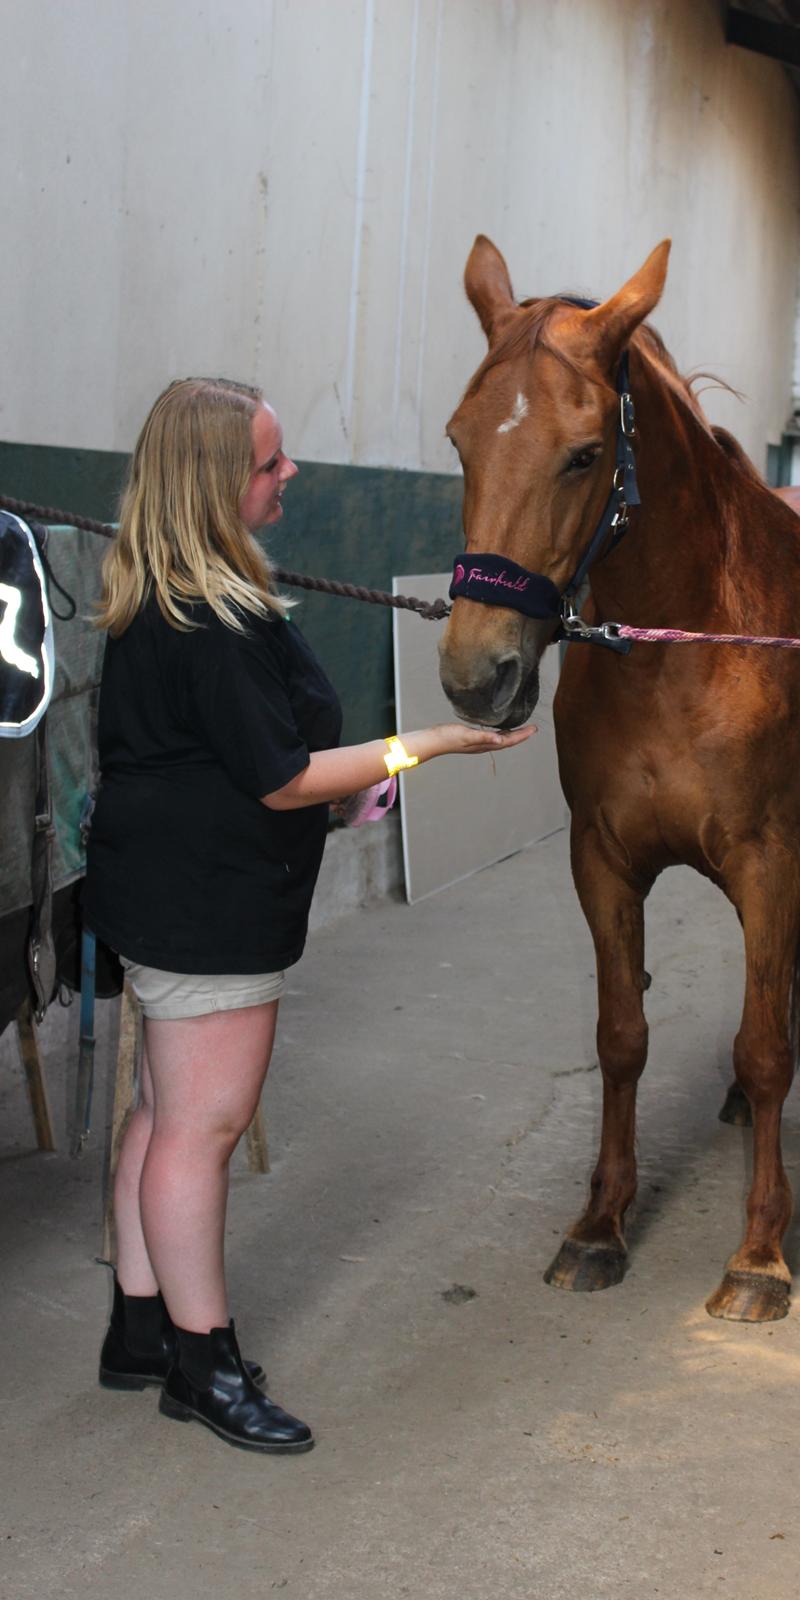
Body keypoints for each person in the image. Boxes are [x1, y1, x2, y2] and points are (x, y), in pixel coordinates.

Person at [84, 377, 534, 1455]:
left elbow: (236, 758)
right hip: (207, 903)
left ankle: (139, 1332)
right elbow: (280, 775)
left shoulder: (165, 588)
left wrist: (354, 779)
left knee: (159, 1110)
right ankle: (202, 1364)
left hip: (157, 886)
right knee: (202, 1130)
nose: (292, 475)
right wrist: (422, 744)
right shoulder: (212, 620)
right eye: (271, 463)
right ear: (212, 484)